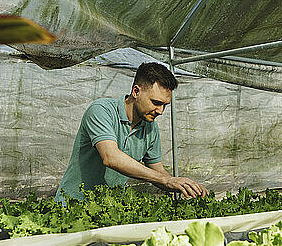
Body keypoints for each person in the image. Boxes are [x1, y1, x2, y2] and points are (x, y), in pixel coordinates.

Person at [55, 62, 208, 203]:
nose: (161, 111)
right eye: (156, 103)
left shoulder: (150, 128)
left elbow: (158, 172)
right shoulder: (101, 110)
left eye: (165, 105)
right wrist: (166, 180)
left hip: (107, 208)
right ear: (136, 91)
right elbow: (111, 157)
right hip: (72, 205)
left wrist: (186, 186)